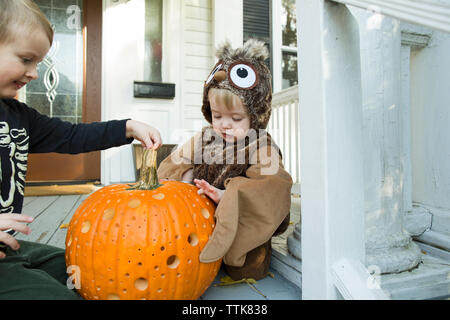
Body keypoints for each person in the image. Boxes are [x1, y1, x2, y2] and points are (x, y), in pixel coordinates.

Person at [0, 0, 162, 299]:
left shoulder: (19, 116)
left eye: (38, 63)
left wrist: (126, 127)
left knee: (97, 272)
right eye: (26, 59)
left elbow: (71, 136)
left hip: (9, 247)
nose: (34, 73)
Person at [157, 39, 292, 281]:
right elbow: (173, 162)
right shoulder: (206, 137)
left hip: (241, 222)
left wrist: (227, 195)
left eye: (236, 118)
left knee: (245, 268)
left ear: (256, 116)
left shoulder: (261, 145)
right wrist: (186, 177)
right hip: (199, 219)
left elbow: (272, 186)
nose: (224, 124)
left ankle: (241, 249)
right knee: (181, 256)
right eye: (217, 115)